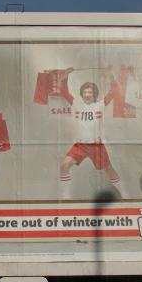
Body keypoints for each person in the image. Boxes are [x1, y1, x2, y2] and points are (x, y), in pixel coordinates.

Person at [59, 66, 130, 200]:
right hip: (80, 145)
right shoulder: (77, 104)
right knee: (64, 165)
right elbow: (64, 92)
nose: (87, 95)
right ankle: (65, 197)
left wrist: (110, 73)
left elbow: (113, 91)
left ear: (94, 94)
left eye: (90, 92)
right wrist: (66, 75)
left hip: (96, 147)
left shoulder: (100, 104)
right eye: (85, 92)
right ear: (82, 94)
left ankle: (125, 194)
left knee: (109, 169)